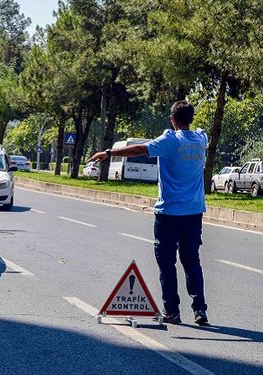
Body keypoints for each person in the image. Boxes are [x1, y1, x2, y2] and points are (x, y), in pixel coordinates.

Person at [88, 100, 209, 326]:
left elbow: (139, 149)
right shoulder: (201, 139)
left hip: (169, 213)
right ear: (191, 119)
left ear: (172, 119)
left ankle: (172, 311)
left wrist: (108, 152)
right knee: (192, 262)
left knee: (167, 263)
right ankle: (200, 309)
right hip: (194, 213)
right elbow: (198, 131)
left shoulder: (170, 141)